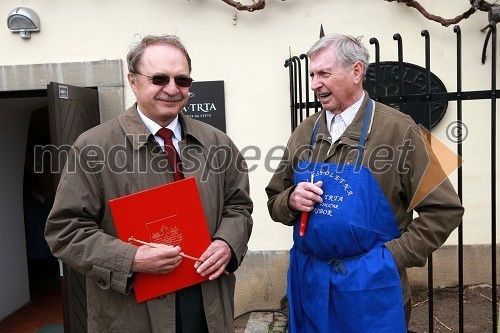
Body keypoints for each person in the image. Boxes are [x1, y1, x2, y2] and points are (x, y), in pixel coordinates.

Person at [45, 34, 253, 333]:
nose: (172, 89)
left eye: (182, 80)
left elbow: (239, 206)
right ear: (133, 81)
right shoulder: (93, 146)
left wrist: (227, 243)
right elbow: (65, 231)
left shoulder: (217, 142)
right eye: (159, 78)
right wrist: (131, 259)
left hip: (207, 303)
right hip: (133, 310)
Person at [266, 33, 464, 332]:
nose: (314, 83)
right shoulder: (304, 131)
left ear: (356, 72)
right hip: (311, 286)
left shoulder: (400, 130)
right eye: (312, 74)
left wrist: (393, 257)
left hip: (373, 287)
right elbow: (274, 200)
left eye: (324, 73)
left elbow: (445, 210)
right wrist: (290, 199)